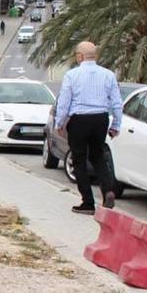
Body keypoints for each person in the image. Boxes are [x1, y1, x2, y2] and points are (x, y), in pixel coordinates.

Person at [55, 42, 123, 214]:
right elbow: (117, 103)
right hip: (100, 118)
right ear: (95, 56)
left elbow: (64, 101)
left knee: (79, 159)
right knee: (98, 155)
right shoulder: (108, 75)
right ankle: (108, 190)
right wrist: (116, 125)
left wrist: (59, 122)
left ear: (80, 56)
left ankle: (88, 202)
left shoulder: (72, 75)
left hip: (79, 120)